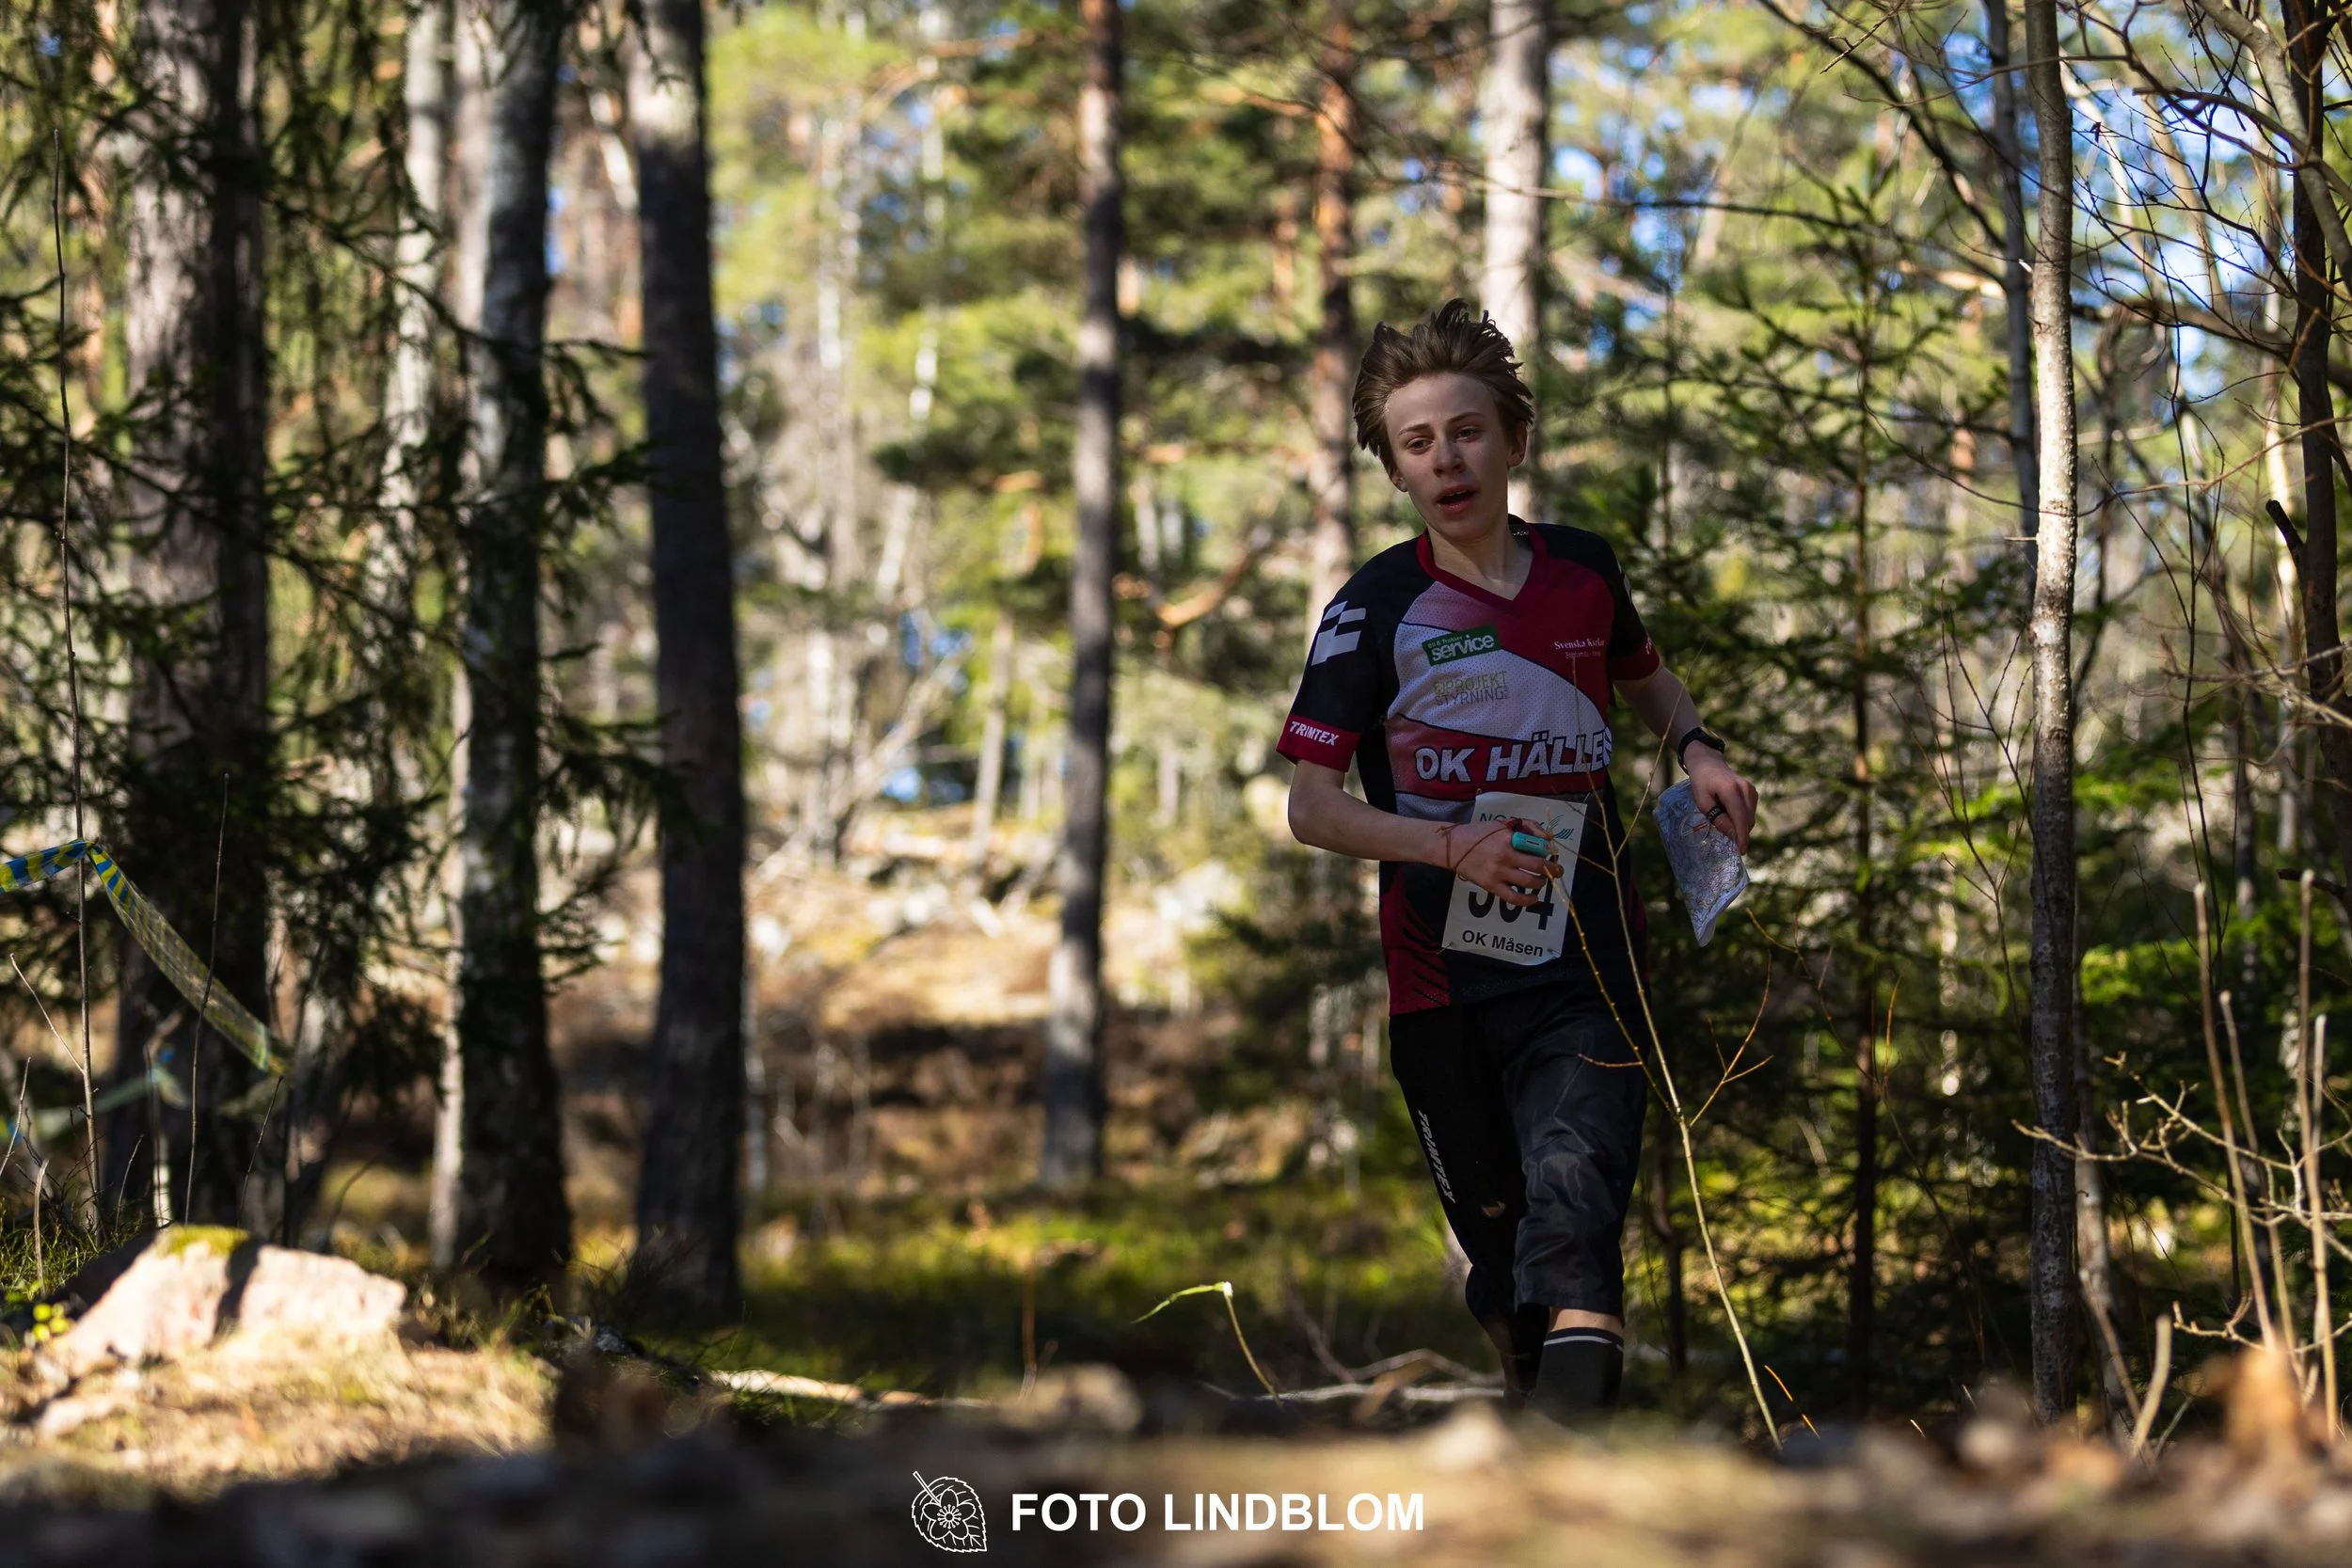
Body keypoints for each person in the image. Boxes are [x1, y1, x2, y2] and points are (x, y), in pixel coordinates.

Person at [1279, 299, 1758, 1426]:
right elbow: (1311, 807)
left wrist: (1695, 746)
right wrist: (1453, 843)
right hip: (1439, 984)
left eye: (1466, 431)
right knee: (1502, 1266)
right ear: (1395, 471)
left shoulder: (1583, 574)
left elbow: (1649, 677)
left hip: (1588, 961)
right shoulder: (1372, 610)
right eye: (1417, 442)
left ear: (1513, 440)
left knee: (1575, 1204)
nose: (1446, 458)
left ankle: (1575, 1451)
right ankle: (1530, 1423)